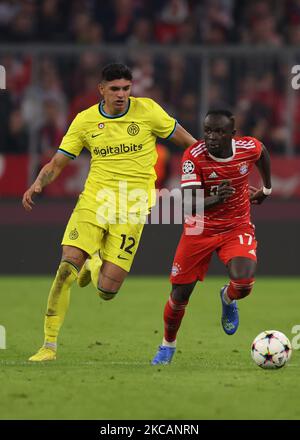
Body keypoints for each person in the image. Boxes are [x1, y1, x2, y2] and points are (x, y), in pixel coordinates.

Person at [22, 63, 196, 362]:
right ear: (101, 89)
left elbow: (189, 143)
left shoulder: (148, 111)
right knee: (66, 268)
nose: (121, 95)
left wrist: (216, 166)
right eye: (114, 89)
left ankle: (93, 264)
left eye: (126, 89)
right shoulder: (86, 120)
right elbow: (58, 163)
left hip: (133, 208)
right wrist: (38, 181)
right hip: (94, 201)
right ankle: (48, 345)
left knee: (106, 290)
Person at [151, 109, 272, 365]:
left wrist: (267, 188)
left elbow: (262, 153)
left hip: (236, 226)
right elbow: (187, 204)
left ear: (232, 134)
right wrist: (217, 197)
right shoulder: (193, 157)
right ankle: (167, 345)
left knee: (243, 284)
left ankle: (227, 298)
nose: (211, 137)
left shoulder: (247, 148)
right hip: (199, 229)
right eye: (207, 131)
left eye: (218, 131)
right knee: (180, 296)